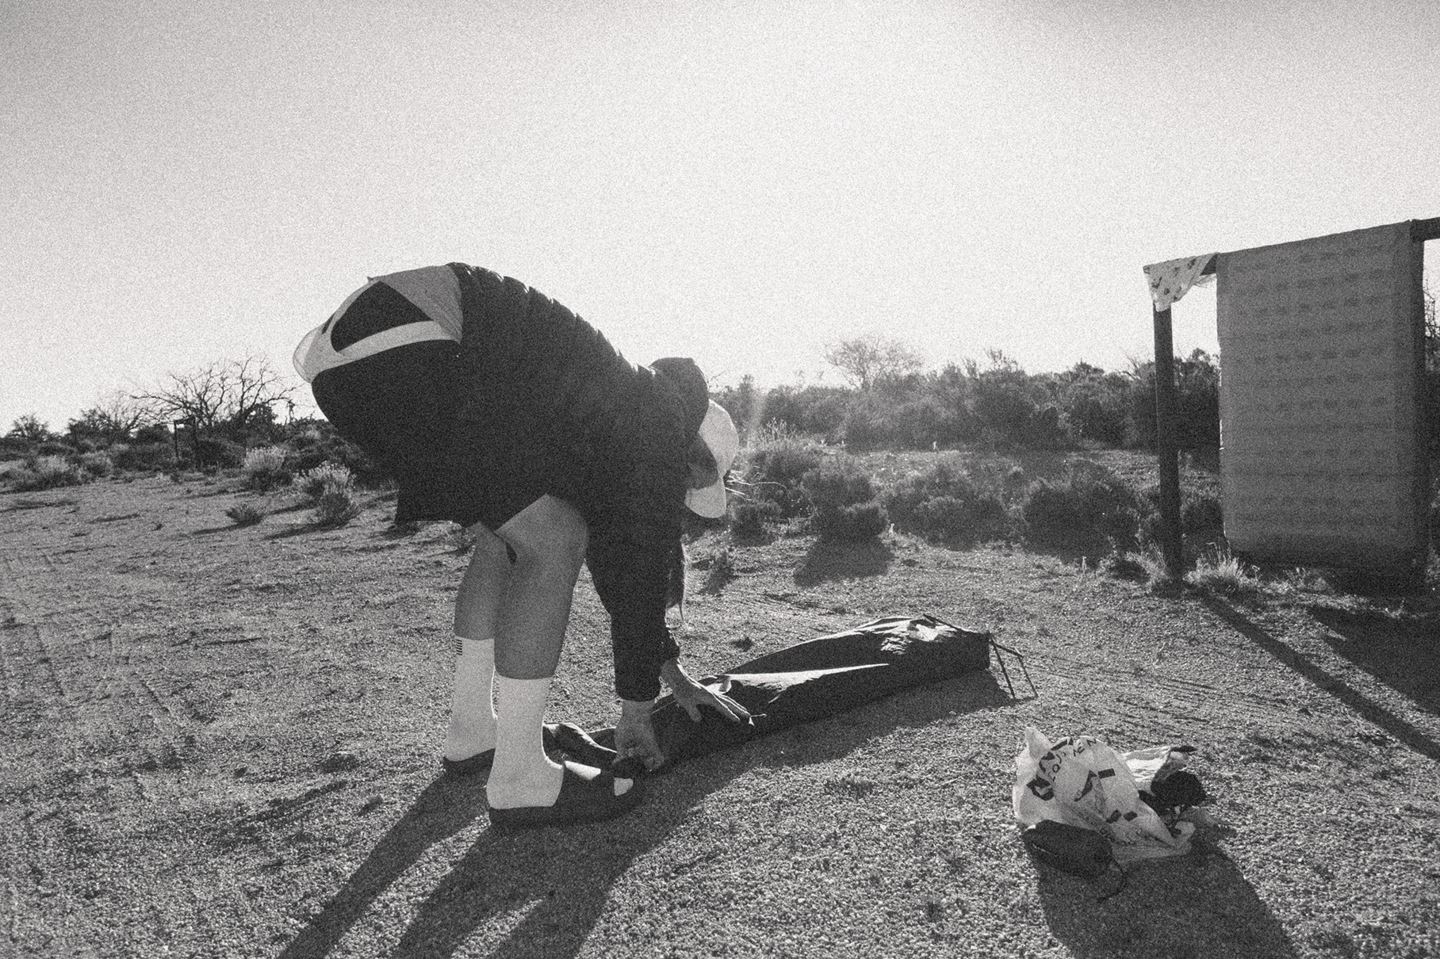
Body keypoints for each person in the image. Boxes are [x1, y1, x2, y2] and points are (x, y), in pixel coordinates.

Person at [293, 263, 750, 828]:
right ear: (696, 455)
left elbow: (619, 566)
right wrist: (636, 713)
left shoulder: (609, 414)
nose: (677, 496)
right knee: (555, 541)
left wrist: (670, 678)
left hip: (348, 365)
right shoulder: (657, 423)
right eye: (689, 484)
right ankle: (519, 776)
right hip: (415, 344)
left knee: (506, 542)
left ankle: (473, 732)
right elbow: (633, 571)